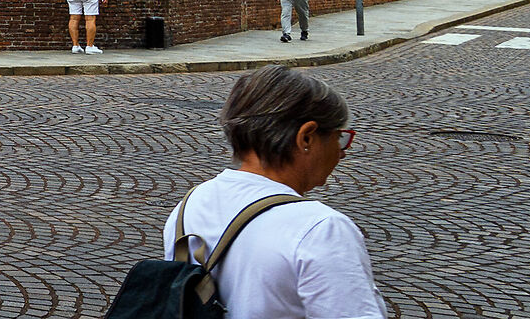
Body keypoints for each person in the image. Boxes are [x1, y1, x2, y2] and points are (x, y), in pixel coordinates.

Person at [157, 65, 386, 319]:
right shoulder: (320, 229)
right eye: (339, 137)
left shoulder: (191, 203)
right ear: (306, 137)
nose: (342, 151)